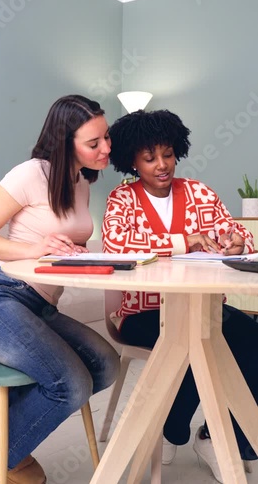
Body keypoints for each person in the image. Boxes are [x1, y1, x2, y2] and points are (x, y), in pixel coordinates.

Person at [102, 108, 258, 483]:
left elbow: (239, 234)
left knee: (250, 338)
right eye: (150, 157)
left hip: (205, 309)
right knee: (190, 343)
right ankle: (173, 430)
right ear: (132, 161)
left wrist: (238, 242)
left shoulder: (199, 192)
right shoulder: (123, 199)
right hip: (142, 314)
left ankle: (225, 441)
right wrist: (180, 241)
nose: (162, 165)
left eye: (168, 153)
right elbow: (115, 245)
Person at [0, 94, 120, 483]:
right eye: (94, 143)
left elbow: (59, 240)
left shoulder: (80, 182)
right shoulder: (29, 174)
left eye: (106, 137)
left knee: (105, 365)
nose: (106, 148)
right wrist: (33, 249)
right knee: (70, 383)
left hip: (40, 304)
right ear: (64, 141)